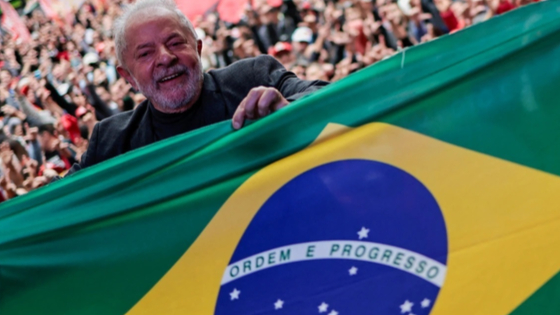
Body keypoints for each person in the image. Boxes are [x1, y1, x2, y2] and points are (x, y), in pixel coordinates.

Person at [63, 0, 328, 177]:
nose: (166, 57)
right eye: (145, 54)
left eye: (176, 42)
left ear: (198, 49)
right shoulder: (111, 142)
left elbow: (331, 98)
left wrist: (290, 110)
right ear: (128, 77)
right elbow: (56, 205)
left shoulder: (253, 77)